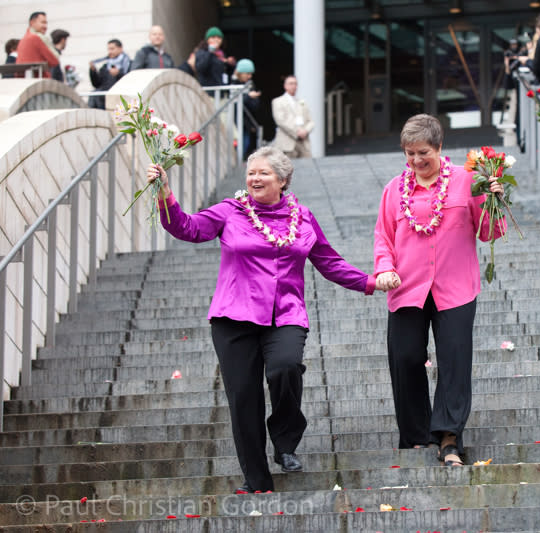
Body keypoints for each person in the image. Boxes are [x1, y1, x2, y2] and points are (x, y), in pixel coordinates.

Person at [146, 146, 384, 493]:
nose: (254, 178)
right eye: (251, 172)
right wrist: (166, 194)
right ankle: (257, 480)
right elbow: (188, 228)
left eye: (263, 173)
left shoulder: (303, 218)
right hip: (234, 317)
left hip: (285, 313)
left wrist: (370, 282)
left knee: (285, 367)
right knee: (244, 399)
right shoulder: (230, 211)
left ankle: (285, 442)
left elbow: (328, 261)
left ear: (283, 180)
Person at [373, 114, 506, 467]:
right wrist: (384, 267)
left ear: (439, 147)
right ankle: (416, 436)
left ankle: (449, 438)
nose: (417, 160)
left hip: (456, 287)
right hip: (407, 287)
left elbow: (489, 232)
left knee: (454, 361)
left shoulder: (467, 182)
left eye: (423, 152)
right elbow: (383, 238)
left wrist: (495, 201)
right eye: (409, 153)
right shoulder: (393, 190)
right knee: (405, 358)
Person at [271, 75, 314, 159]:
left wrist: (305, 130)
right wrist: (297, 131)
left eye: (295, 84)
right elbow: (280, 121)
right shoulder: (278, 101)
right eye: (291, 83)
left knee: (308, 168)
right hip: (287, 143)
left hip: (303, 143)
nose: (293, 86)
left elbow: (310, 121)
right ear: (285, 86)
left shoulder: (302, 102)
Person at [88, 39, 131, 110]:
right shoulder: (106, 66)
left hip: (120, 101)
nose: (110, 52)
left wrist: (119, 73)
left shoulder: (128, 64)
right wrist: (93, 71)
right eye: (109, 49)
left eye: (112, 49)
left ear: (120, 49)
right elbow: (96, 84)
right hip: (103, 101)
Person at [15, 11, 60, 78]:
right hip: (39, 82)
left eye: (46, 23)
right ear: (32, 22)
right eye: (43, 22)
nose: (45, 26)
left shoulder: (24, 39)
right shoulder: (36, 38)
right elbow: (54, 61)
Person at [232, 58, 261, 157]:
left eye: (251, 74)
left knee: (246, 144)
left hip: (247, 122)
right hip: (235, 121)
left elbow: (256, 105)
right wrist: (248, 97)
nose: (250, 76)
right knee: (238, 145)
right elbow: (234, 102)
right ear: (241, 73)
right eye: (247, 73)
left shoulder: (250, 84)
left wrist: (252, 98)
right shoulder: (232, 83)